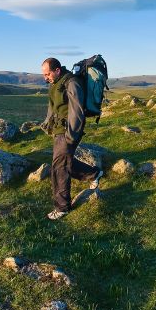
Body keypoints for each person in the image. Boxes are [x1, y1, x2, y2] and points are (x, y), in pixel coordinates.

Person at [40, 57, 102, 220]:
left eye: (47, 74)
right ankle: (94, 174)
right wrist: (47, 124)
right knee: (63, 161)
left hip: (68, 131)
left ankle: (62, 207)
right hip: (59, 130)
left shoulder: (71, 83)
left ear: (57, 70)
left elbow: (77, 110)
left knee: (59, 167)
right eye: (44, 74)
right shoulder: (56, 83)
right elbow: (53, 106)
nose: (45, 77)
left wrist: (71, 136)